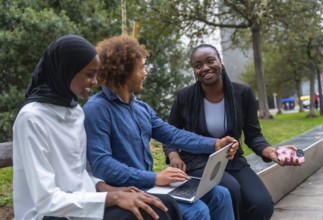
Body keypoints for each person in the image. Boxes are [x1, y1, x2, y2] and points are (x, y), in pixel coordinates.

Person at [13, 34, 182, 220]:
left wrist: (104, 187)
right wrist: (111, 197)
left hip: (84, 203)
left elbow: (79, 171)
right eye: (89, 74)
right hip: (50, 214)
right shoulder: (32, 118)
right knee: (149, 213)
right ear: (66, 70)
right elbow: (46, 200)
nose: (95, 81)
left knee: (165, 205)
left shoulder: (74, 110)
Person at [83, 34, 237, 220]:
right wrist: (155, 178)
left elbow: (173, 135)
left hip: (152, 184)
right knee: (198, 211)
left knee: (221, 195)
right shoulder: (96, 109)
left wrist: (215, 144)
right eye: (141, 68)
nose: (146, 73)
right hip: (128, 190)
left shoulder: (141, 108)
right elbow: (102, 165)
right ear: (125, 72)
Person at [163, 43, 302, 220]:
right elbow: (169, 134)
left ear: (220, 62)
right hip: (198, 162)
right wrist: (174, 155)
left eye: (210, 61)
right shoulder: (184, 96)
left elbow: (253, 136)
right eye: (198, 66)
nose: (205, 68)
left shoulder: (242, 93)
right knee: (231, 189)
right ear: (194, 71)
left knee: (262, 204)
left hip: (232, 160)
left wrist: (272, 152)